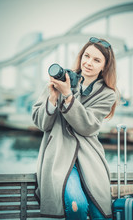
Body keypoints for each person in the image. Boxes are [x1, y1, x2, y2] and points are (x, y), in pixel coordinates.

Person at [32, 37, 118, 220]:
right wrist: (53, 98)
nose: (88, 63)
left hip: (89, 158)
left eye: (97, 60)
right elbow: (42, 124)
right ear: (81, 56)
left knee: (99, 214)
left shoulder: (107, 94)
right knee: (76, 205)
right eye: (86, 56)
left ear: (105, 66)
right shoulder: (60, 80)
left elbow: (87, 126)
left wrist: (68, 96)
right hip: (59, 157)